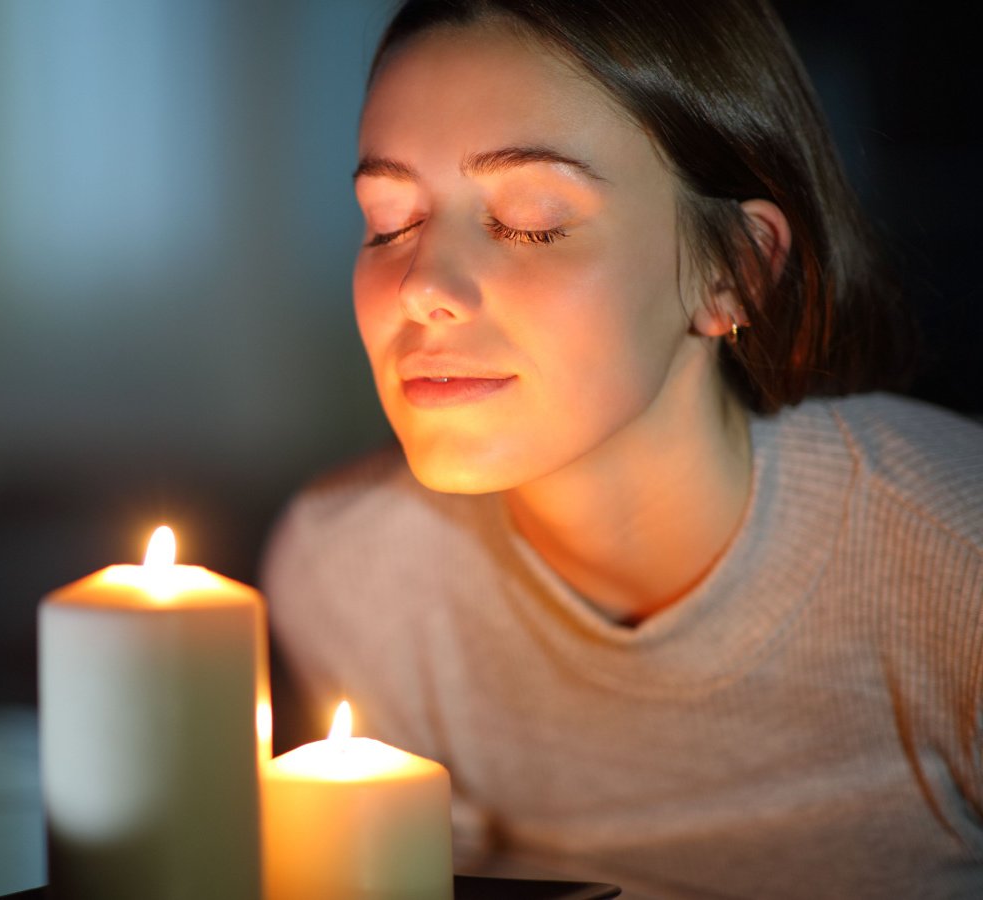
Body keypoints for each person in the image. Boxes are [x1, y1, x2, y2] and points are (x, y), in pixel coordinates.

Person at [261, 1, 983, 897]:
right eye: (389, 222)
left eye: (528, 220)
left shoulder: (957, 565)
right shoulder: (353, 574)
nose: (424, 289)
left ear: (736, 270)